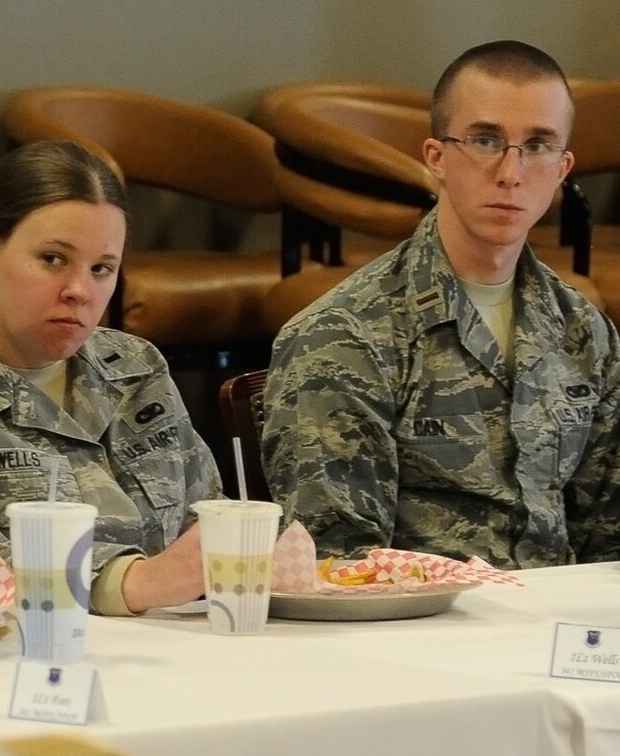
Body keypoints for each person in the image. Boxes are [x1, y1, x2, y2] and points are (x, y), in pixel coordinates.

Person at [262, 41, 620, 566]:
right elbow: (338, 566)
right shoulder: (346, 334)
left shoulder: (585, 331)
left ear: (564, 168)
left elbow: (607, 546)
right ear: (436, 158)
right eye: (484, 140)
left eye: (538, 146)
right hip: (416, 631)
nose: (510, 172)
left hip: (557, 634)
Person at [0, 141, 220, 614]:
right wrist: (133, 583)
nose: (80, 291)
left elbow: (205, 523)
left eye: (102, 269)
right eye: (53, 260)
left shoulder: (135, 367)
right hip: (28, 660)